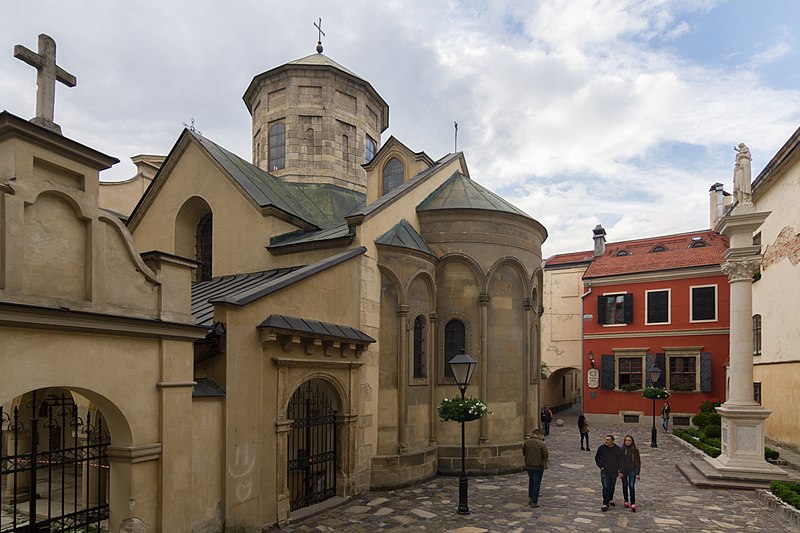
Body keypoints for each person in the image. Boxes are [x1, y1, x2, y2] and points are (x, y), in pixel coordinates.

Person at [595, 434, 623, 512]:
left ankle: (610, 498)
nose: (606, 441)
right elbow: (597, 457)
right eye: (606, 439)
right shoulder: (601, 448)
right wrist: (601, 466)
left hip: (614, 471)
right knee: (606, 486)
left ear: (612, 441)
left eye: (608, 440)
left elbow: (621, 461)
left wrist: (621, 471)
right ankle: (605, 503)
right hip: (605, 471)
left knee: (611, 486)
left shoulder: (617, 449)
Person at [522, 428, 549, 508]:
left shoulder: (527, 442)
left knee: (531, 481)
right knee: (536, 483)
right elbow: (546, 455)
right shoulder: (541, 444)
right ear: (539, 434)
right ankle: (534, 501)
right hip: (538, 466)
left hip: (529, 465)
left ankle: (530, 497)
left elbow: (524, 452)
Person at [621, 435, 641, 512]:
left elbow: (638, 462)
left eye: (629, 440)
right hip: (624, 470)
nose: (628, 442)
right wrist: (619, 470)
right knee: (625, 485)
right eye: (626, 440)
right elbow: (619, 460)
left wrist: (637, 473)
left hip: (632, 469)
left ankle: (633, 502)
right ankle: (626, 500)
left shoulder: (635, 450)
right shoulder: (622, 449)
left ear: (632, 441)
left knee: (631, 485)